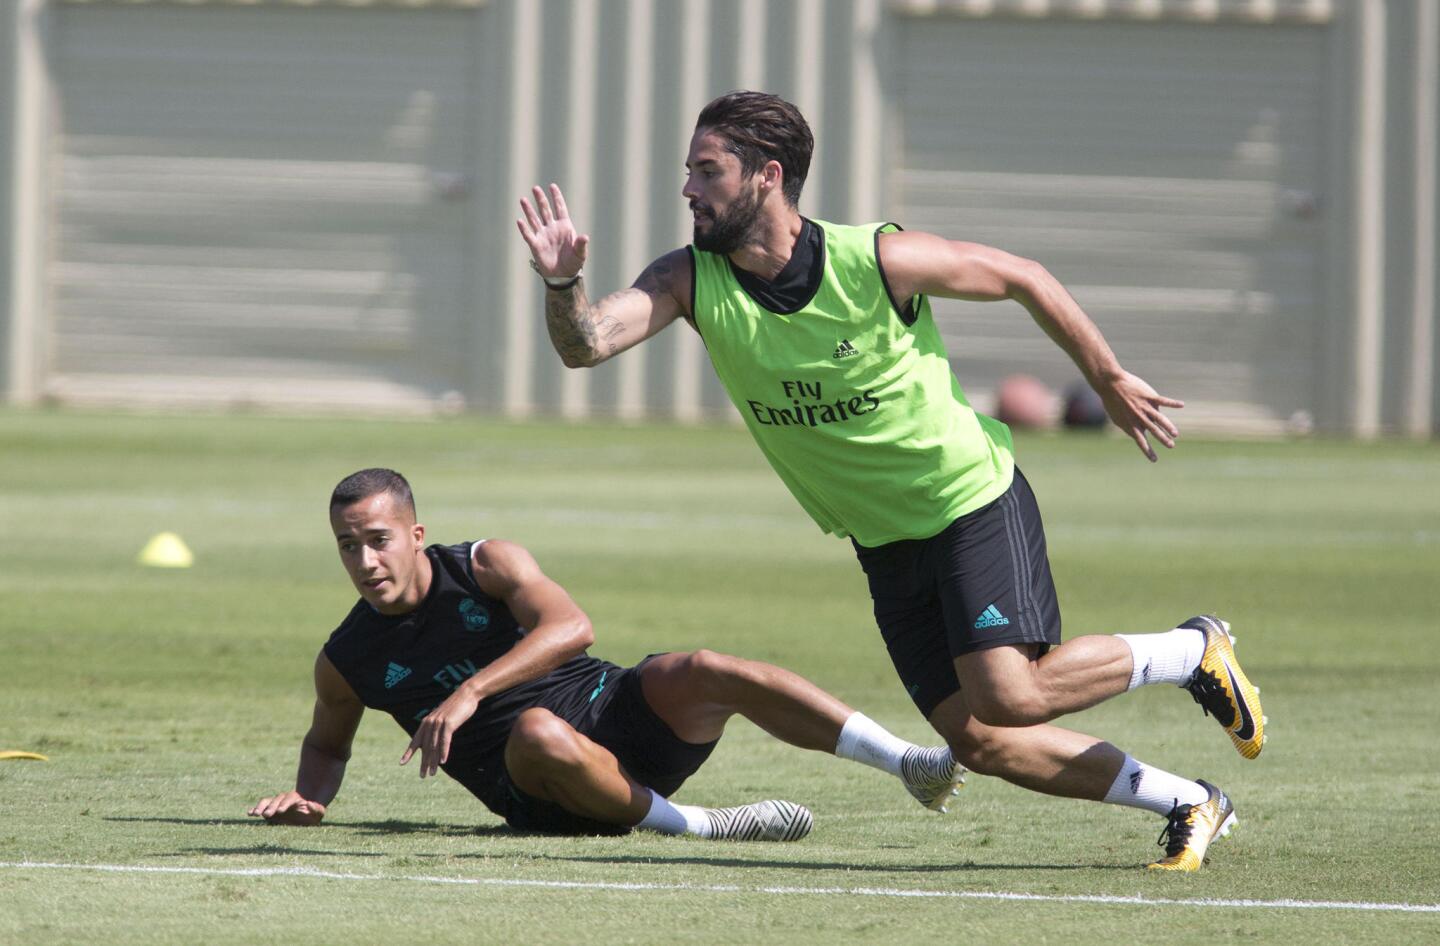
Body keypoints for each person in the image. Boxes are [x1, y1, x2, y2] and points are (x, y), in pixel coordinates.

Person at [516, 90, 1267, 871]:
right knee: (979, 741)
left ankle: (1192, 651)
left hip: (967, 501)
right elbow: (587, 345)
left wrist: (1107, 377)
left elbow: (1023, 274)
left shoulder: (875, 259)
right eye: (689, 171)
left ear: (767, 177)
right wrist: (561, 284)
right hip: (882, 541)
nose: (688, 190)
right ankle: (1189, 801)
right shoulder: (688, 280)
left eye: (707, 171)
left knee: (1010, 696)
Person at [248, 468, 964, 841]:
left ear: (414, 533)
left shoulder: (483, 564)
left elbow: (572, 627)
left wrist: (466, 693)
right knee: (534, 731)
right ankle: (705, 827)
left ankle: (905, 762)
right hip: (544, 784)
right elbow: (327, 742)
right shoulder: (348, 656)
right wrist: (310, 797)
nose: (365, 558)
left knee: (706, 668)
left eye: (377, 538)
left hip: (614, 712)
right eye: (348, 545)